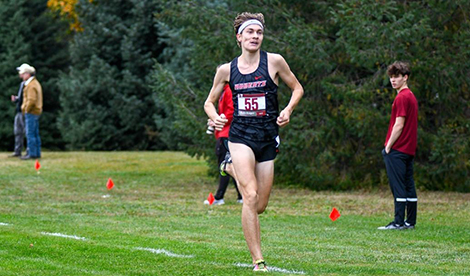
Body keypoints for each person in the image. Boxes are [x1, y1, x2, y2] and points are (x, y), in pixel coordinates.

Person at [204, 12, 304, 271]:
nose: (255, 37)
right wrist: (215, 118)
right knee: (249, 195)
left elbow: (297, 88)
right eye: (250, 32)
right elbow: (209, 102)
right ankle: (258, 260)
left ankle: (228, 167)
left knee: (259, 205)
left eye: (259, 33)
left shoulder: (274, 62)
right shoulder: (227, 69)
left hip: (267, 138)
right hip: (240, 137)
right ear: (239, 37)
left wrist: (288, 110)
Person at [378, 61, 418, 230]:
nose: (393, 81)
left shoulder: (402, 97)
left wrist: (388, 146)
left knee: (398, 186)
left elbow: (399, 125)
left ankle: (398, 222)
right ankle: (410, 221)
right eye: (391, 77)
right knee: (409, 185)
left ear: (405, 77)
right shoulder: (411, 97)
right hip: (409, 149)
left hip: (398, 149)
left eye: (397, 77)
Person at [204, 83, 243, 205]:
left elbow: (232, 111)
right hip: (224, 133)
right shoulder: (223, 91)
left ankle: (219, 197)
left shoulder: (229, 91)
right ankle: (241, 196)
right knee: (231, 166)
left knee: (224, 166)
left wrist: (218, 121)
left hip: (227, 134)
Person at [18, 63, 43, 160]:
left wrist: (26, 109)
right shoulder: (35, 83)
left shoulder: (31, 85)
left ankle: (32, 154)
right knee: (35, 133)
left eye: (23, 74)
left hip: (31, 112)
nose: (21, 76)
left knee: (30, 133)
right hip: (36, 112)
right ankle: (37, 153)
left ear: (28, 74)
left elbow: (31, 100)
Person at [9, 73, 26, 158]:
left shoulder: (27, 84)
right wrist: (16, 99)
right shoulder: (22, 84)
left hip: (24, 111)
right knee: (17, 132)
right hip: (19, 111)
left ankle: (30, 152)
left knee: (27, 131)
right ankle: (17, 151)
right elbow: (21, 98)